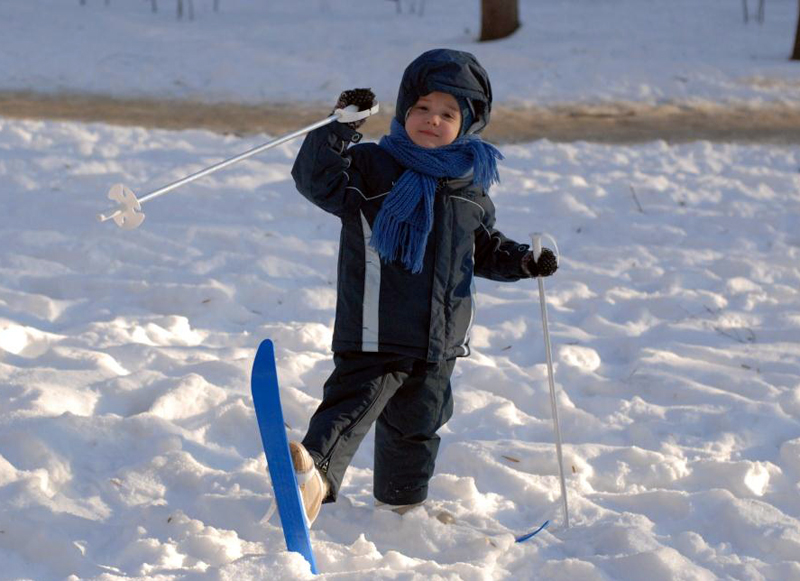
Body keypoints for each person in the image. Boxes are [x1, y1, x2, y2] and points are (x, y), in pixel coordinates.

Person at [288, 48, 558, 525]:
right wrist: (339, 126)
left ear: (469, 123)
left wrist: (524, 261)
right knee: (352, 405)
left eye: (448, 113)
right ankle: (313, 477)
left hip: (439, 340)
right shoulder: (371, 167)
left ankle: (401, 507)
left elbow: (484, 249)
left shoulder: (469, 188)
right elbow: (316, 179)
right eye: (422, 108)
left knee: (418, 428)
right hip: (375, 325)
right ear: (404, 111)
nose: (432, 120)